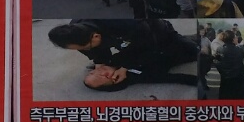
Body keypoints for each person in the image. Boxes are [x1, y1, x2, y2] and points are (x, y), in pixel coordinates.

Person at [47, 19, 199, 91]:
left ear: (95, 36)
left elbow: (146, 42)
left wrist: (125, 66)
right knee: (195, 50)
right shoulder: (138, 75)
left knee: (188, 44)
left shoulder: (125, 24)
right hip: (171, 54)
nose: (98, 70)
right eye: (100, 76)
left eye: (93, 72)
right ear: (114, 79)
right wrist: (100, 61)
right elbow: (175, 78)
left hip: (156, 32)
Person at [214, 30, 244, 101]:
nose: (237, 38)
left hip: (225, 78)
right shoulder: (239, 49)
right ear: (233, 39)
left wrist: (222, 72)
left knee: (225, 98)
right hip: (238, 78)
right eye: (235, 37)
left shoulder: (219, 49)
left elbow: (216, 62)